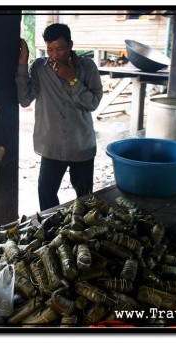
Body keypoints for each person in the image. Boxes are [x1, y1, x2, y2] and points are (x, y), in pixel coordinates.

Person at [16, 23, 103, 211]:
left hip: (81, 146)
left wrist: (72, 79)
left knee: (86, 199)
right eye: (50, 49)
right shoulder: (40, 67)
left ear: (70, 45)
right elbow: (24, 100)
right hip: (52, 147)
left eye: (60, 49)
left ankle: (84, 234)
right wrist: (22, 65)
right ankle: (54, 233)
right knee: (46, 196)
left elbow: (93, 103)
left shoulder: (87, 67)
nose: (54, 54)